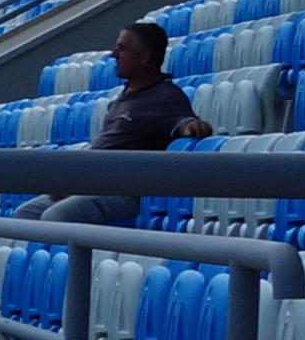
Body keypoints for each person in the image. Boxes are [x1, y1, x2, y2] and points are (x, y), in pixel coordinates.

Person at [44, 20, 211, 225]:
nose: (113, 54)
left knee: (55, 217)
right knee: (27, 214)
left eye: (122, 49)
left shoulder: (164, 97)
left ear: (144, 57)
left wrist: (191, 125)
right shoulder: (122, 97)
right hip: (91, 185)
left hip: (123, 191)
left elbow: (184, 121)